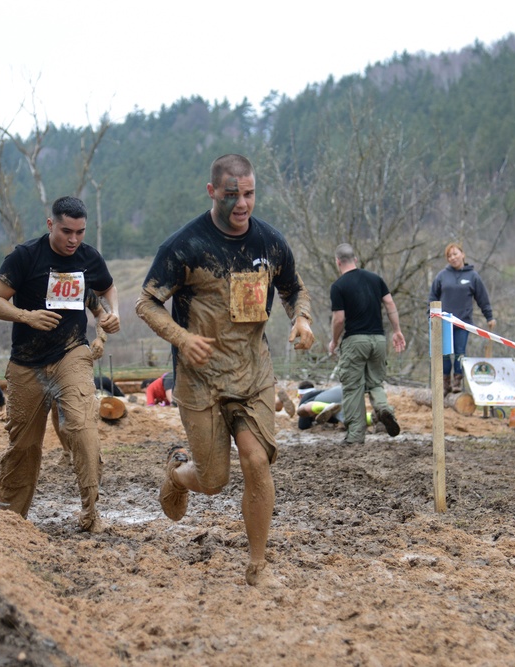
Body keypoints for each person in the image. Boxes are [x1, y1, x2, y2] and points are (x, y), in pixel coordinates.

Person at [135, 154, 314, 586]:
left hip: (252, 373)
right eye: (232, 194)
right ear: (212, 191)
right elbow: (146, 302)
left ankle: (257, 565)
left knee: (256, 462)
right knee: (214, 480)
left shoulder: (270, 243)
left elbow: (294, 290)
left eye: (249, 194)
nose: (242, 204)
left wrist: (302, 319)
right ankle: (177, 475)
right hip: (200, 380)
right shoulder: (185, 246)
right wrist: (182, 339)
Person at [0, 195, 120, 533]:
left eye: (80, 232)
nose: (73, 239)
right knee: (26, 445)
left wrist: (111, 316)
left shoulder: (89, 258)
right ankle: (11, 519)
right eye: (66, 231)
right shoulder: (24, 257)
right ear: (50, 225)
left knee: (83, 429)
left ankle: (91, 514)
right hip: (26, 362)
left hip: (71, 352)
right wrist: (26, 316)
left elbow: (107, 289)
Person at [327, 243, 406, 445]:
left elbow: (338, 319)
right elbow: (390, 304)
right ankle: (384, 408)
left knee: (353, 387)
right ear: (355, 259)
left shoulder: (338, 286)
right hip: (378, 339)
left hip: (355, 340)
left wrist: (334, 341)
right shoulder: (376, 279)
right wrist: (396, 331)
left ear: (338, 262)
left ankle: (355, 435)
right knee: (375, 383)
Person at [428, 242, 496, 395]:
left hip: (463, 323)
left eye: (455, 254)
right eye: (449, 256)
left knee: (460, 353)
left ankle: (457, 381)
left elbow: (482, 298)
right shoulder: (442, 276)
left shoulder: (472, 276)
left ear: (463, 254)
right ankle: (445, 383)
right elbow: (432, 297)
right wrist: (431, 317)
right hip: (443, 322)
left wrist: (489, 316)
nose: (453, 258)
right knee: (444, 353)